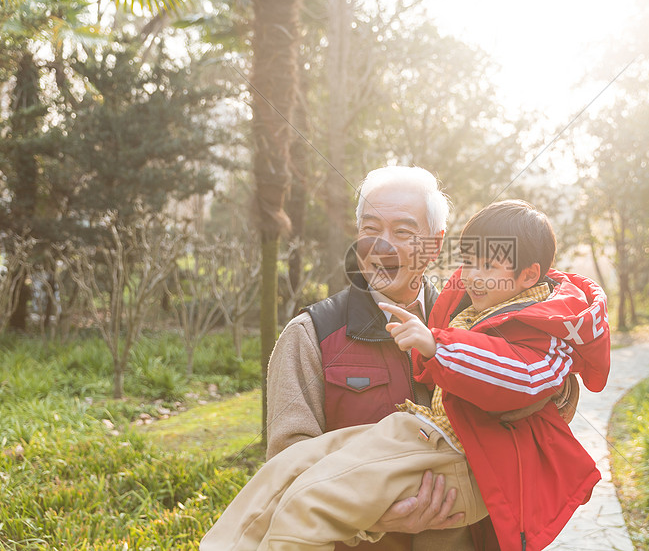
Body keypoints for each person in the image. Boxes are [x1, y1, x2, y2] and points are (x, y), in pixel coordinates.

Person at [201, 200, 611, 551]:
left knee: (303, 507)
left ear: (434, 243)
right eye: (370, 228)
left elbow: (528, 380)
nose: (383, 244)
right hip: (390, 478)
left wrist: (437, 345)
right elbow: (290, 449)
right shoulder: (313, 333)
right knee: (285, 473)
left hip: (459, 487)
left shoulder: (478, 314)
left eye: (403, 230)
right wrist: (380, 520)